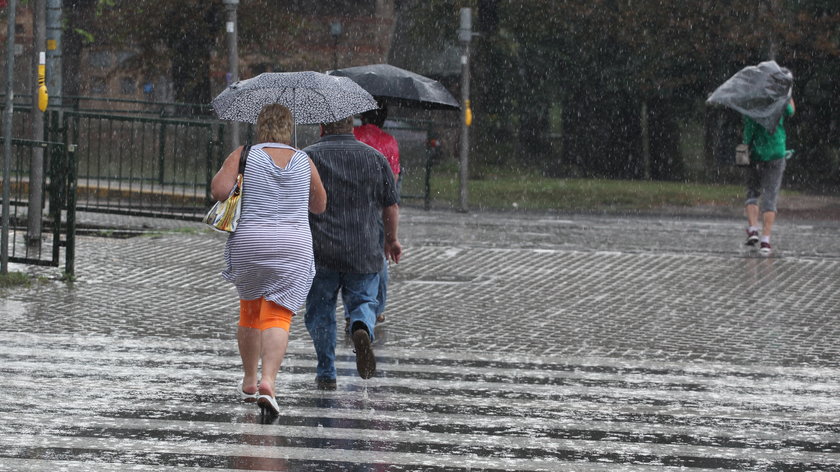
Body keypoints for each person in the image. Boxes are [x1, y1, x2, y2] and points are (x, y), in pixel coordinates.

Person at [210, 104, 327, 415]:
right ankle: (268, 382)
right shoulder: (304, 159)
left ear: (260, 126)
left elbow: (218, 191)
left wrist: (238, 181)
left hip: (251, 243)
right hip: (293, 246)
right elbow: (319, 205)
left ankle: (249, 380)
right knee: (278, 314)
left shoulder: (245, 154)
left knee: (250, 308)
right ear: (289, 128)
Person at [303, 115, 401, 390]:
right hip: (364, 248)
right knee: (365, 301)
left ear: (322, 127)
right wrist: (391, 240)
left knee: (320, 311)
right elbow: (390, 206)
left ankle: (326, 371)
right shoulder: (375, 158)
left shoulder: (308, 157)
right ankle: (361, 326)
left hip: (322, 250)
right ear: (351, 127)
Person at [353, 104, 400, 326]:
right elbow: (394, 180)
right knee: (381, 256)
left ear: (362, 116)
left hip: (351, 205)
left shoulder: (352, 136)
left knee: (351, 256)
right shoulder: (389, 141)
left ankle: (353, 310)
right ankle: (377, 308)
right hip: (378, 207)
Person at [742, 97, 795, 256]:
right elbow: (791, 111)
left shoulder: (751, 106)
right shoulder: (779, 102)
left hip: (755, 154)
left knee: (752, 192)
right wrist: (789, 96)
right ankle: (766, 240)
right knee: (770, 196)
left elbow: (748, 134)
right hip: (776, 153)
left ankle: (753, 230)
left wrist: (745, 148)